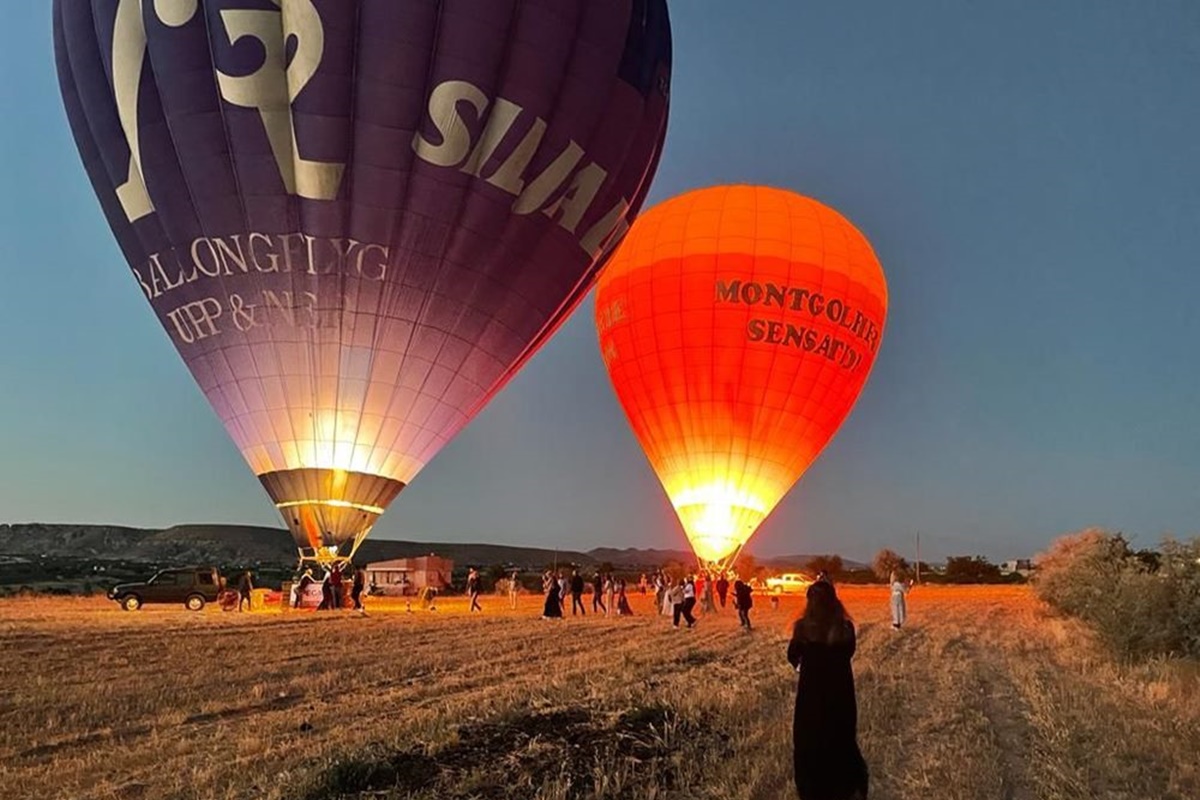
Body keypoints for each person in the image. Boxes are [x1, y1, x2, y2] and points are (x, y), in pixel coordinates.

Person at [786, 580, 868, 800]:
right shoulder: (845, 628)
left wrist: (805, 667)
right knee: (841, 738)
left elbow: (792, 655)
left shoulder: (802, 627)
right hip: (841, 692)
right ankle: (845, 788)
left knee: (810, 741)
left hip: (811, 696)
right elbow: (849, 651)